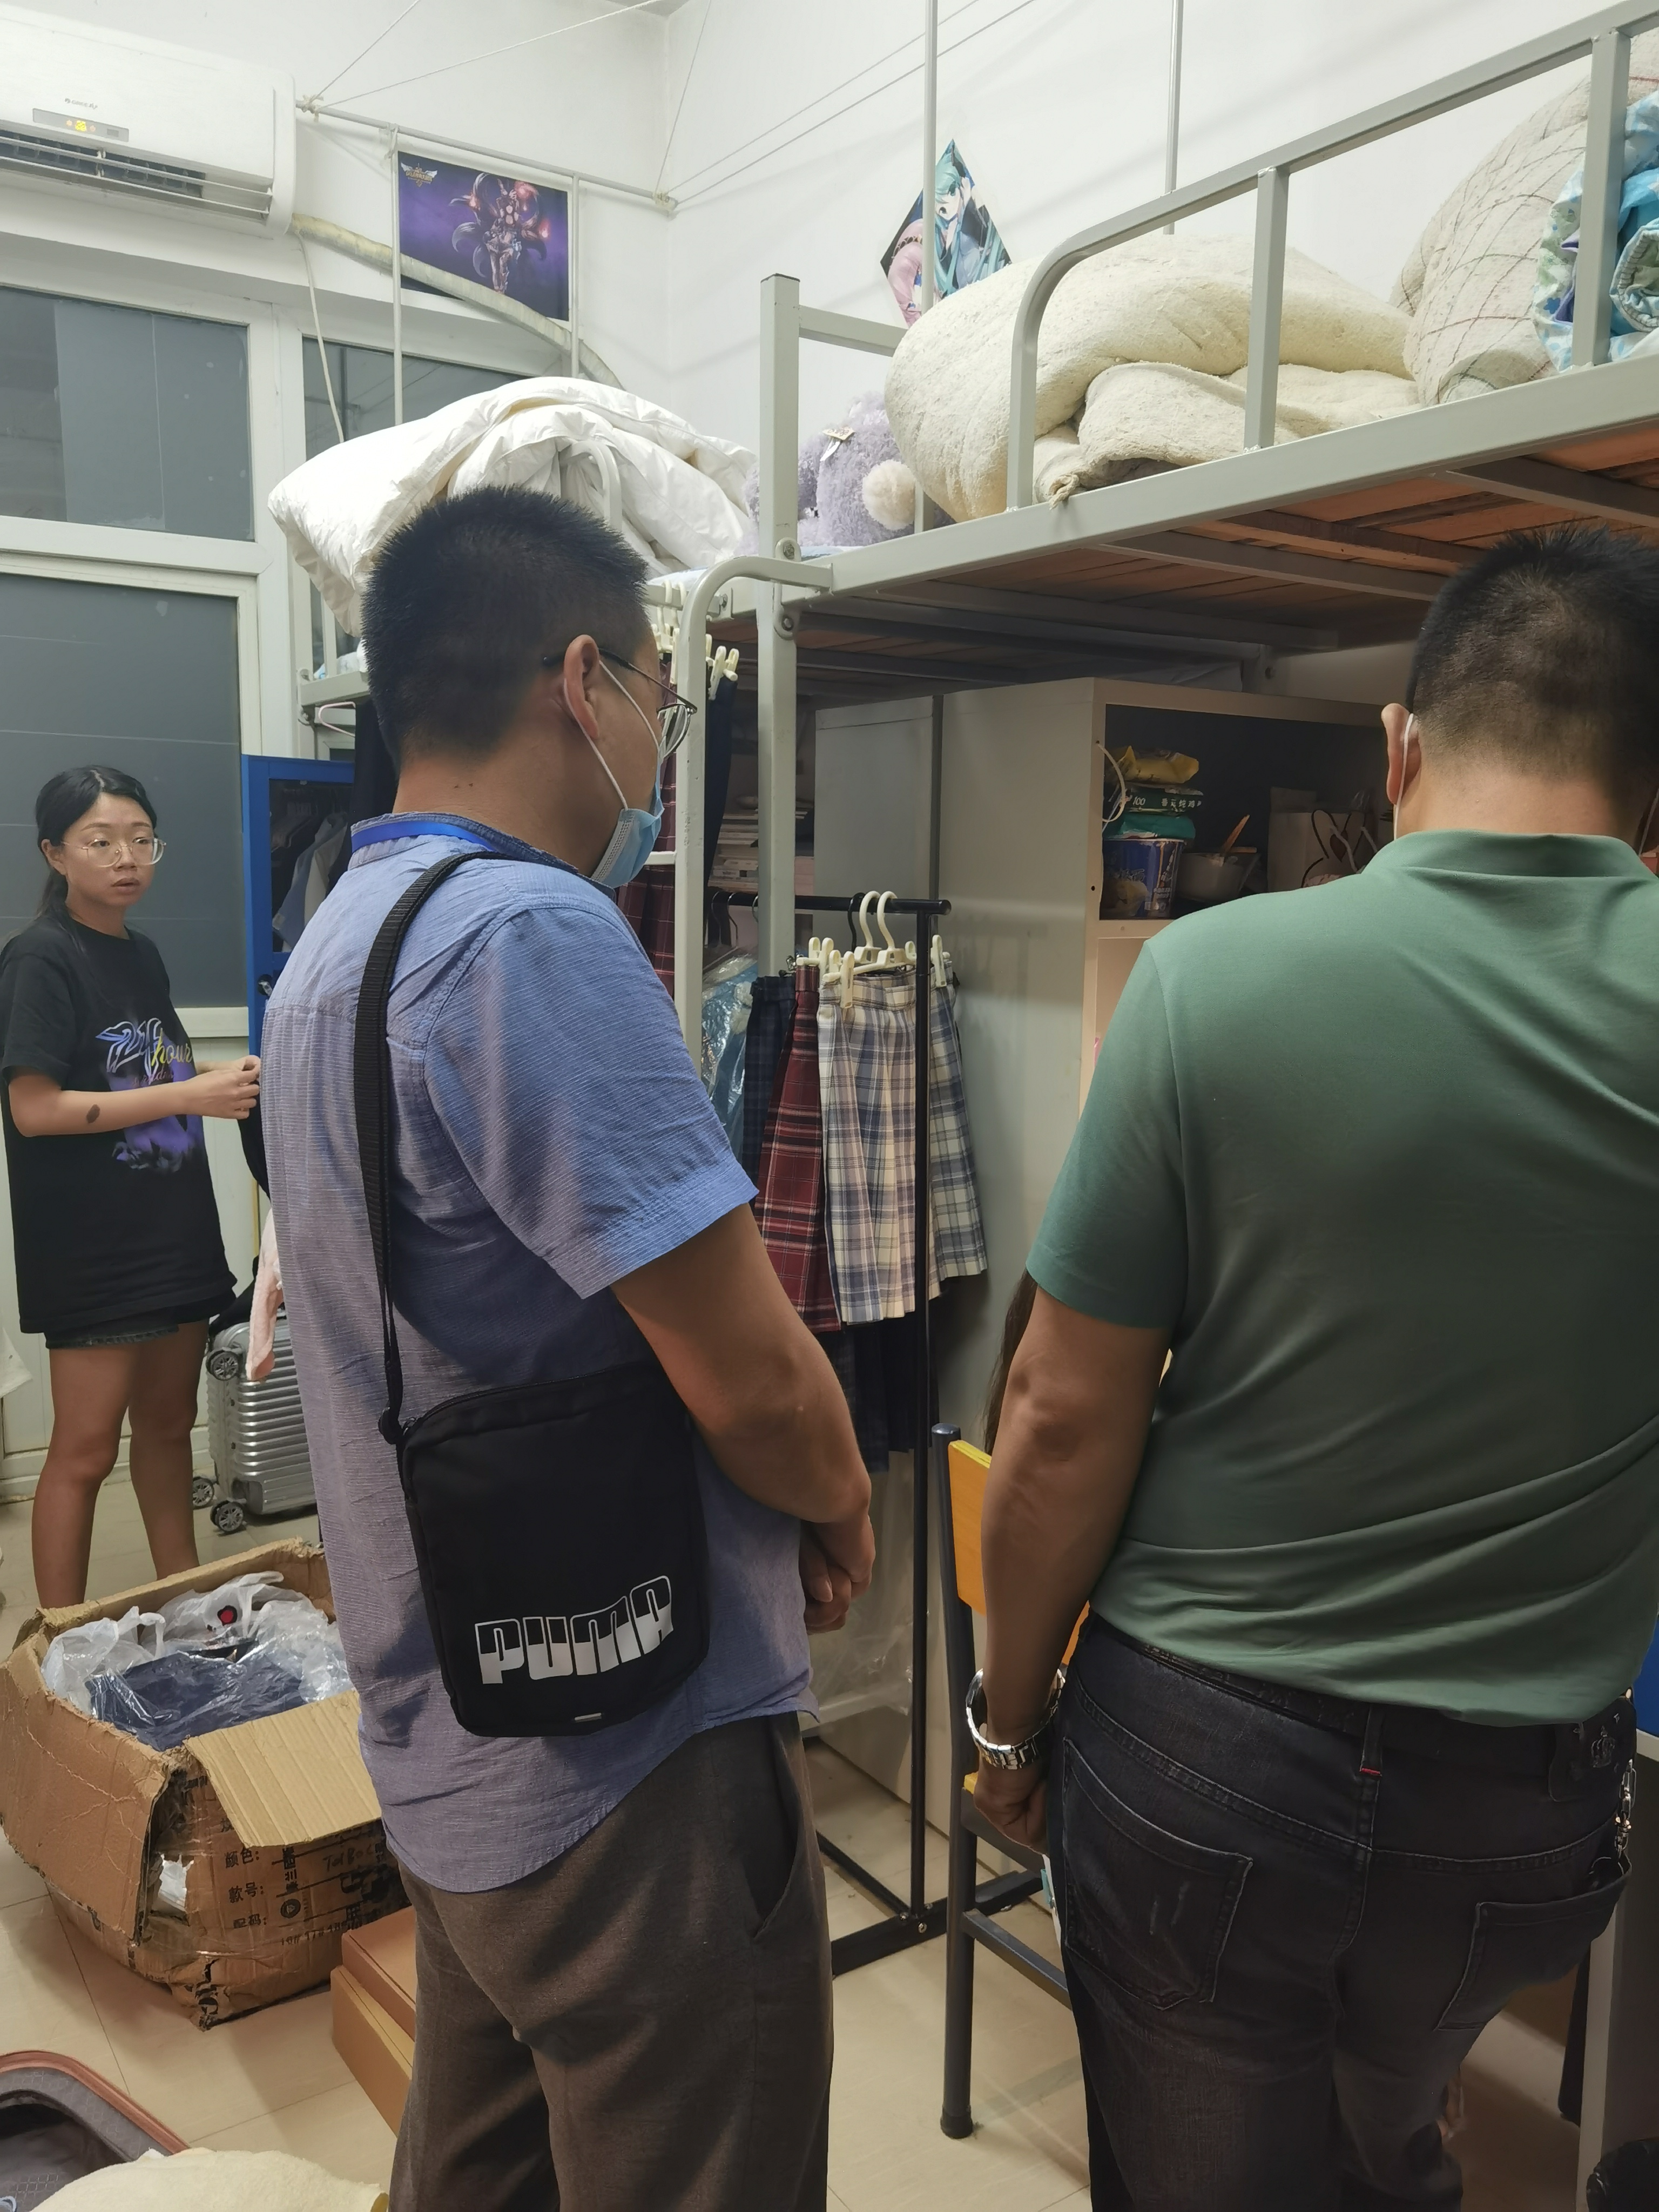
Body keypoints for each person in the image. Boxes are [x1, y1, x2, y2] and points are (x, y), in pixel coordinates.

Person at [971, 526, 1659, 2211]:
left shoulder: (1213, 980)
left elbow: (1058, 1419)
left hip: (1207, 1757)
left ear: (1400, 745)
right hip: (1519, 1805)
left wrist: (1008, 1725)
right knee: (1384, 2132)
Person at [260, 486, 874, 2212]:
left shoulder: (336, 946)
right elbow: (749, 1368)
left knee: (480, 2172)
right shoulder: (529, 936)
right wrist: (840, 1498)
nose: (663, 747)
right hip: (629, 1751)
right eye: (665, 701)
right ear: (583, 680)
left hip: (454, 1730)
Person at [0, 767, 259, 1607]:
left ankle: (189, 1601)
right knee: (84, 1452)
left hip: (172, 1231)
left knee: (169, 1428)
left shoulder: (140, 952)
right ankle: (59, 1640)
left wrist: (217, 1081)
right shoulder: (40, 958)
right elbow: (35, 1109)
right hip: (93, 1247)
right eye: (101, 841)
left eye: (142, 840)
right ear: (55, 853)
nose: (127, 858)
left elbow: (146, 1073)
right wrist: (188, 1096)